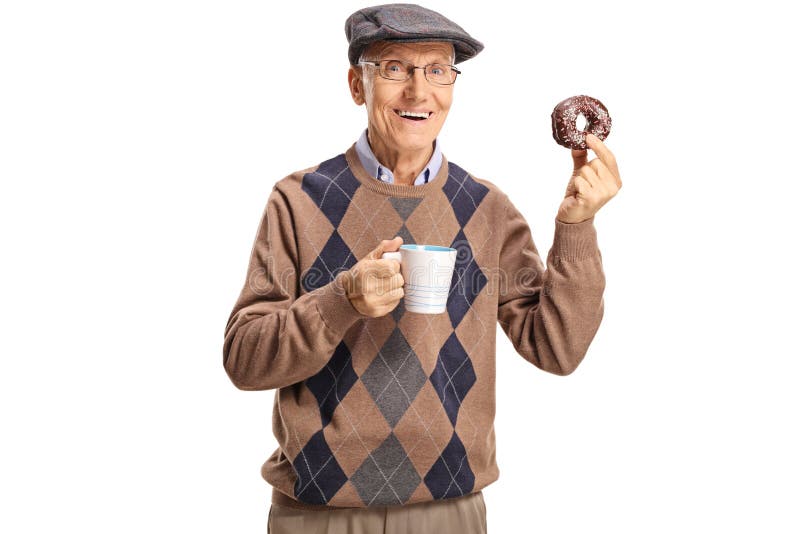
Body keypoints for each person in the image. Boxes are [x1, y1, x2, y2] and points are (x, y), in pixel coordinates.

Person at [223, 4, 621, 533]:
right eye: (394, 68)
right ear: (356, 85)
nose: (418, 91)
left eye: (437, 69)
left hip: (449, 510)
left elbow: (559, 347)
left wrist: (576, 226)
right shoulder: (298, 202)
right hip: (317, 514)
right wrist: (341, 301)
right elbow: (244, 359)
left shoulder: (487, 210)